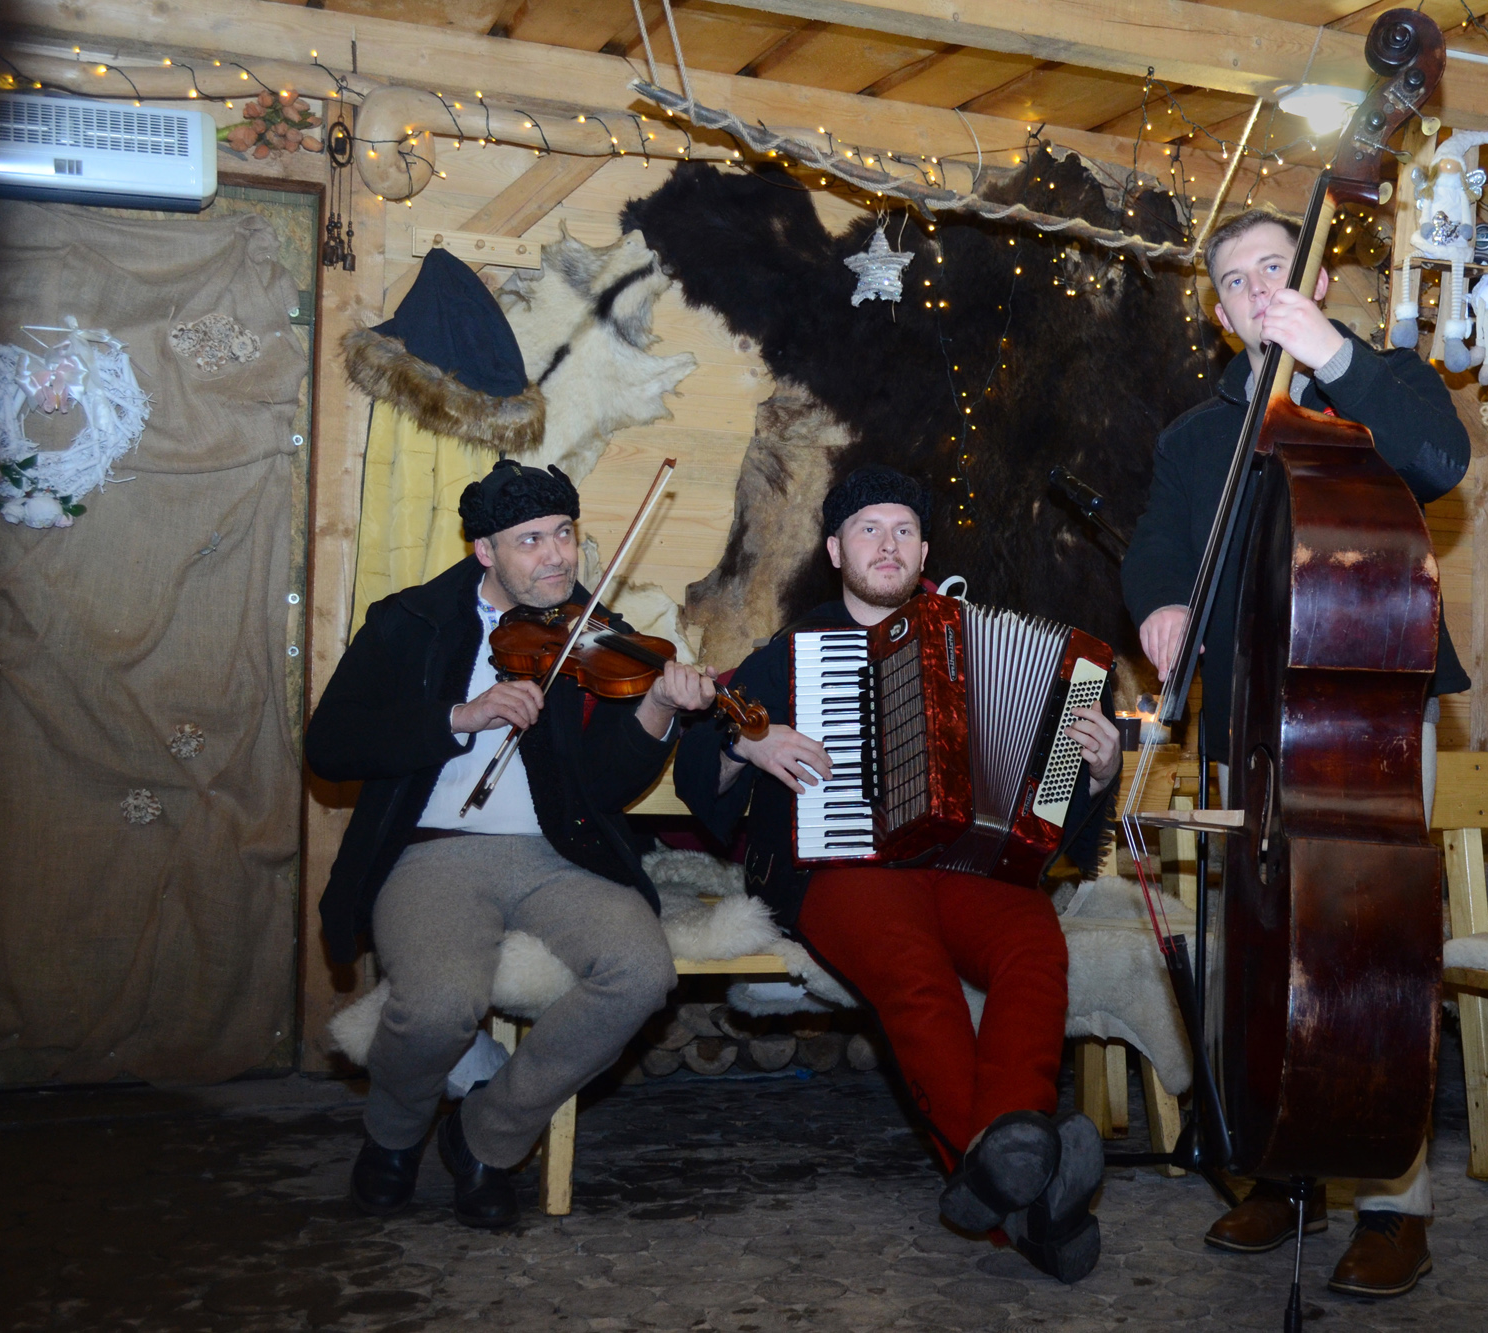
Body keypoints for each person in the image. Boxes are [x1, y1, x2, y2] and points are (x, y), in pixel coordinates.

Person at [1121, 208, 1472, 1298]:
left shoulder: (1384, 382)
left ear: (1314, 278)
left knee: (1373, 953)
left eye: (1273, 267)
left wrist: (1332, 356)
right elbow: (1155, 545)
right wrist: (1161, 602)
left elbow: (1440, 462)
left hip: (1370, 709)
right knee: (1259, 951)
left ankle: (1392, 1199)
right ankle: (1278, 1166)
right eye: (1234, 280)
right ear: (1219, 312)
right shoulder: (1195, 437)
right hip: (1248, 722)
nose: (1255, 288)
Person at [674, 466, 1124, 1282]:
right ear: (835, 550)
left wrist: (1092, 773)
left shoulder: (966, 640)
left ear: (923, 550)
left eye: (904, 530)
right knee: (913, 970)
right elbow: (697, 768)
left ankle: (1008, 1174)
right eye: (869, 529)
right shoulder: (790, 654)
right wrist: (747, 745)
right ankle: (1033, 1196)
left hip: (964, 862)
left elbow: (1044, 811)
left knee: (1033, 939)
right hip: (839, 867)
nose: (888, 545)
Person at [307, 459, 717, 1229]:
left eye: (564, 532)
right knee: (437, 1008)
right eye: (531, 540)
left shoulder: (592, 633)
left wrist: (659, 708)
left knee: (640, 972)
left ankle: (487, 1136)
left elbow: (605, 785)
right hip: (435, 853)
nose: (557, 555)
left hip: (560, 854)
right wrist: (458, 717)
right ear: (484, 551)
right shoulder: (411, 622)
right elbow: (329, 744)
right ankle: (393, 1134)